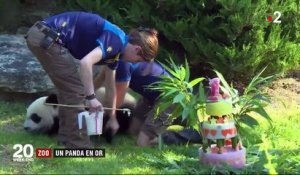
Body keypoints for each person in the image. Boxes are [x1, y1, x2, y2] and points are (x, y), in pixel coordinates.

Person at [25, 11, 158, 148]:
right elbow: (85, 63)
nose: (135, 63)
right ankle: (79, 146)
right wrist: (91, 97)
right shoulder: (116, 40)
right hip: (46, 37)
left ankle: (66, 139)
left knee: (69, 91)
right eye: (138, 60)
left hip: (43, 36)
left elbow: (110, 86)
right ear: (137, 49)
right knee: (76, 92)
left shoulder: (116, 52)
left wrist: (112, 118)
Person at [94, 60, 173, 147]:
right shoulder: (112, 60)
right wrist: (84, 97)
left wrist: (111, 118)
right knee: (133, 130)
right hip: (149, 98)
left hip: (169, 98)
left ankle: (170, 137)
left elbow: (118, 101)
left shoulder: (122, 65)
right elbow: (100, 79)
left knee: (142, 143)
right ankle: (157, 129)